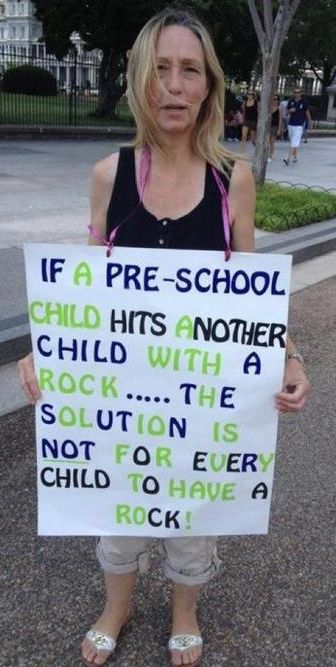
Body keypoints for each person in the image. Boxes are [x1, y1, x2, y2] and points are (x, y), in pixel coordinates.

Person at [18, 8, 310, 667]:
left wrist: (289, 357)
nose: (174, 85)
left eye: (190, 70)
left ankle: (184, 608)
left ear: (209, 86)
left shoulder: (230, 179)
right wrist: (48, 347)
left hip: (199, 407)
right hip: (123, 402)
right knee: (117, 520)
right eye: (161, 69)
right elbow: (85, 287)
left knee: (194, 530)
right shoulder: (108, 176)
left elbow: (252, 295)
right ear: (139, 80)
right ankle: (116, 604)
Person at [283, 87, 311, 165]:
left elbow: (307, 113)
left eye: (298, 92)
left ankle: (288, 158)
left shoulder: (304, 102)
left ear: (301, 93)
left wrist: (310, 123)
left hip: (299, 125)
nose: (296, 94)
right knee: (293, 142)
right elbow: (286, 113)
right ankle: (295, 157)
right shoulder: (291, 102)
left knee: (294, 141)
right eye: (295, 92)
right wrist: (289, 111)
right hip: (291, 124)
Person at [268, 94, 282, 162]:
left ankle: (270, 156)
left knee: (272, 142)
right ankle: (266, 154)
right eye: (273, 99)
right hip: (267, 126)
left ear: (278, 100)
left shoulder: (279, 109)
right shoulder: (269, 107)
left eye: (276, 99)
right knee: (265, 141)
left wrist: (279, 129)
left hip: (274, 127)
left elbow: (280, 120)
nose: (275, 100)